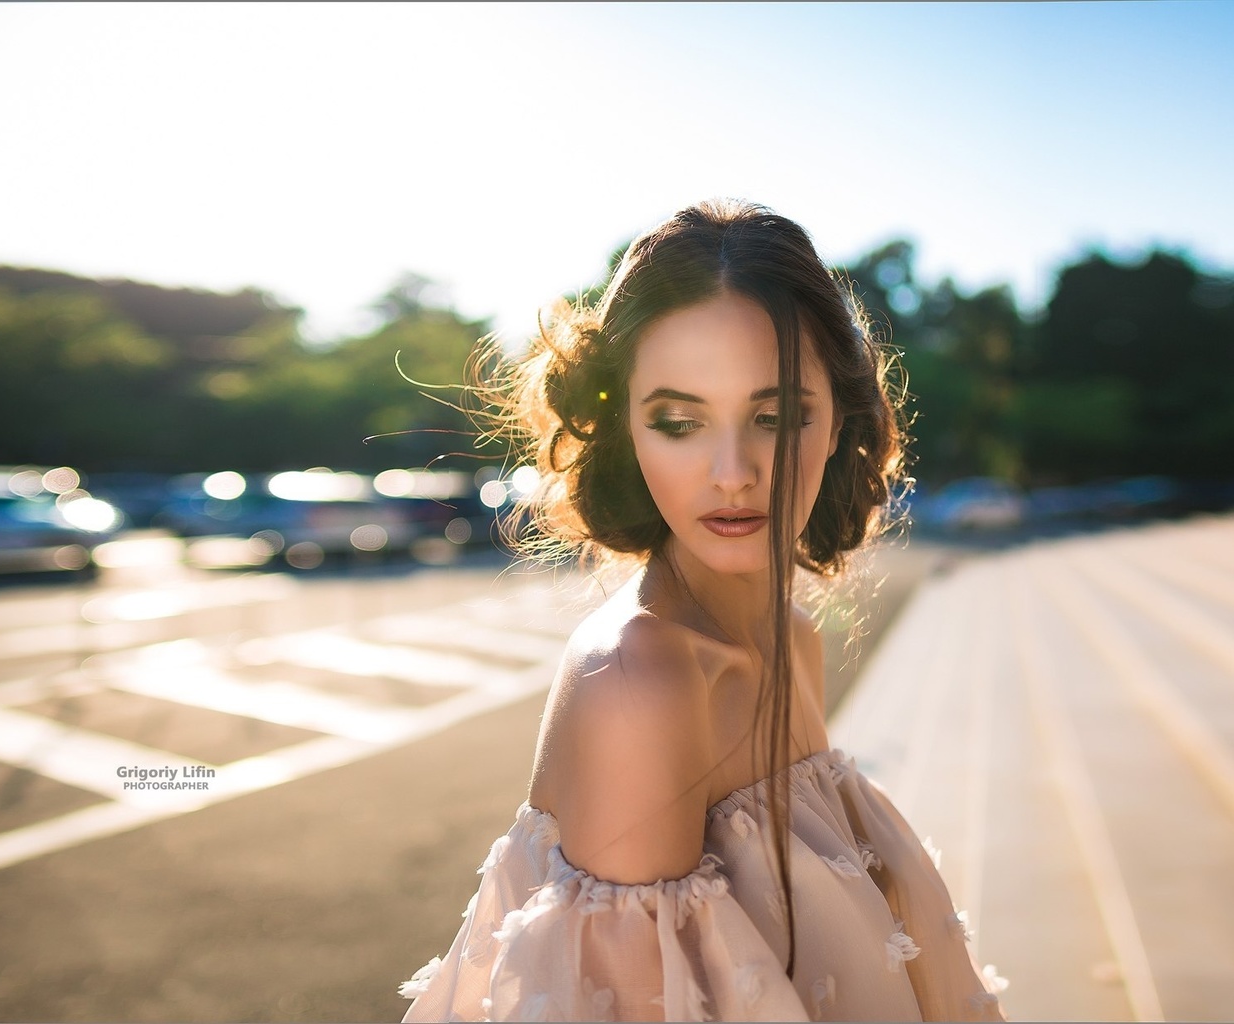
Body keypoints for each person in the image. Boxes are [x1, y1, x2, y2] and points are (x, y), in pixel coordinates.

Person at [399, 200, 1007, 1021]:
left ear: (839, 425)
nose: (732, 471)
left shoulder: (792, 642)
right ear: (624, 431)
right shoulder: (640, 679)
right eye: (679, 421)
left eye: (777, 415)